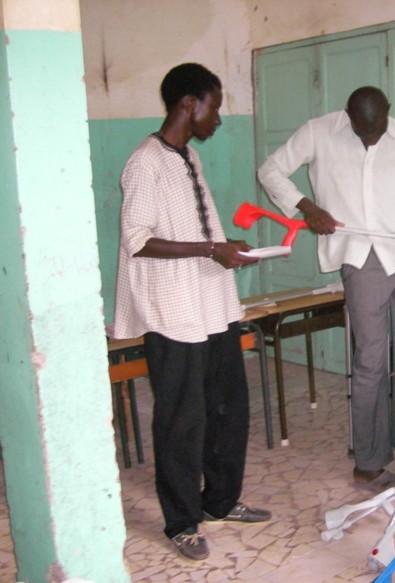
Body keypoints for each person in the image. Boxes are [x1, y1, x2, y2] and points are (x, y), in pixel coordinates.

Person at [257, 87, 395, 491]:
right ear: (348, 116)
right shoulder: (318, 132)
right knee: (371, 361)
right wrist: (307, 208)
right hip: (360, 261)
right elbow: (270, 170)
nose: (371, 140)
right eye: (363, 133)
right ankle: (369, 461)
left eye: (377, 131)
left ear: (388, 116)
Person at [113, 63, 271, 561]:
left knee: (228, 408)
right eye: (215, 106)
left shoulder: (188, 158)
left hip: (211, 306)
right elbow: (138, 241)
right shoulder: (145, 162)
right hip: (172, 311)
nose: (218, 118)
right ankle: (181, 521)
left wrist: (223, 247)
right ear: (189, 104)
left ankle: (220, 502)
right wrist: (209, 250)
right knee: (182, 420)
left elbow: (198, 231)